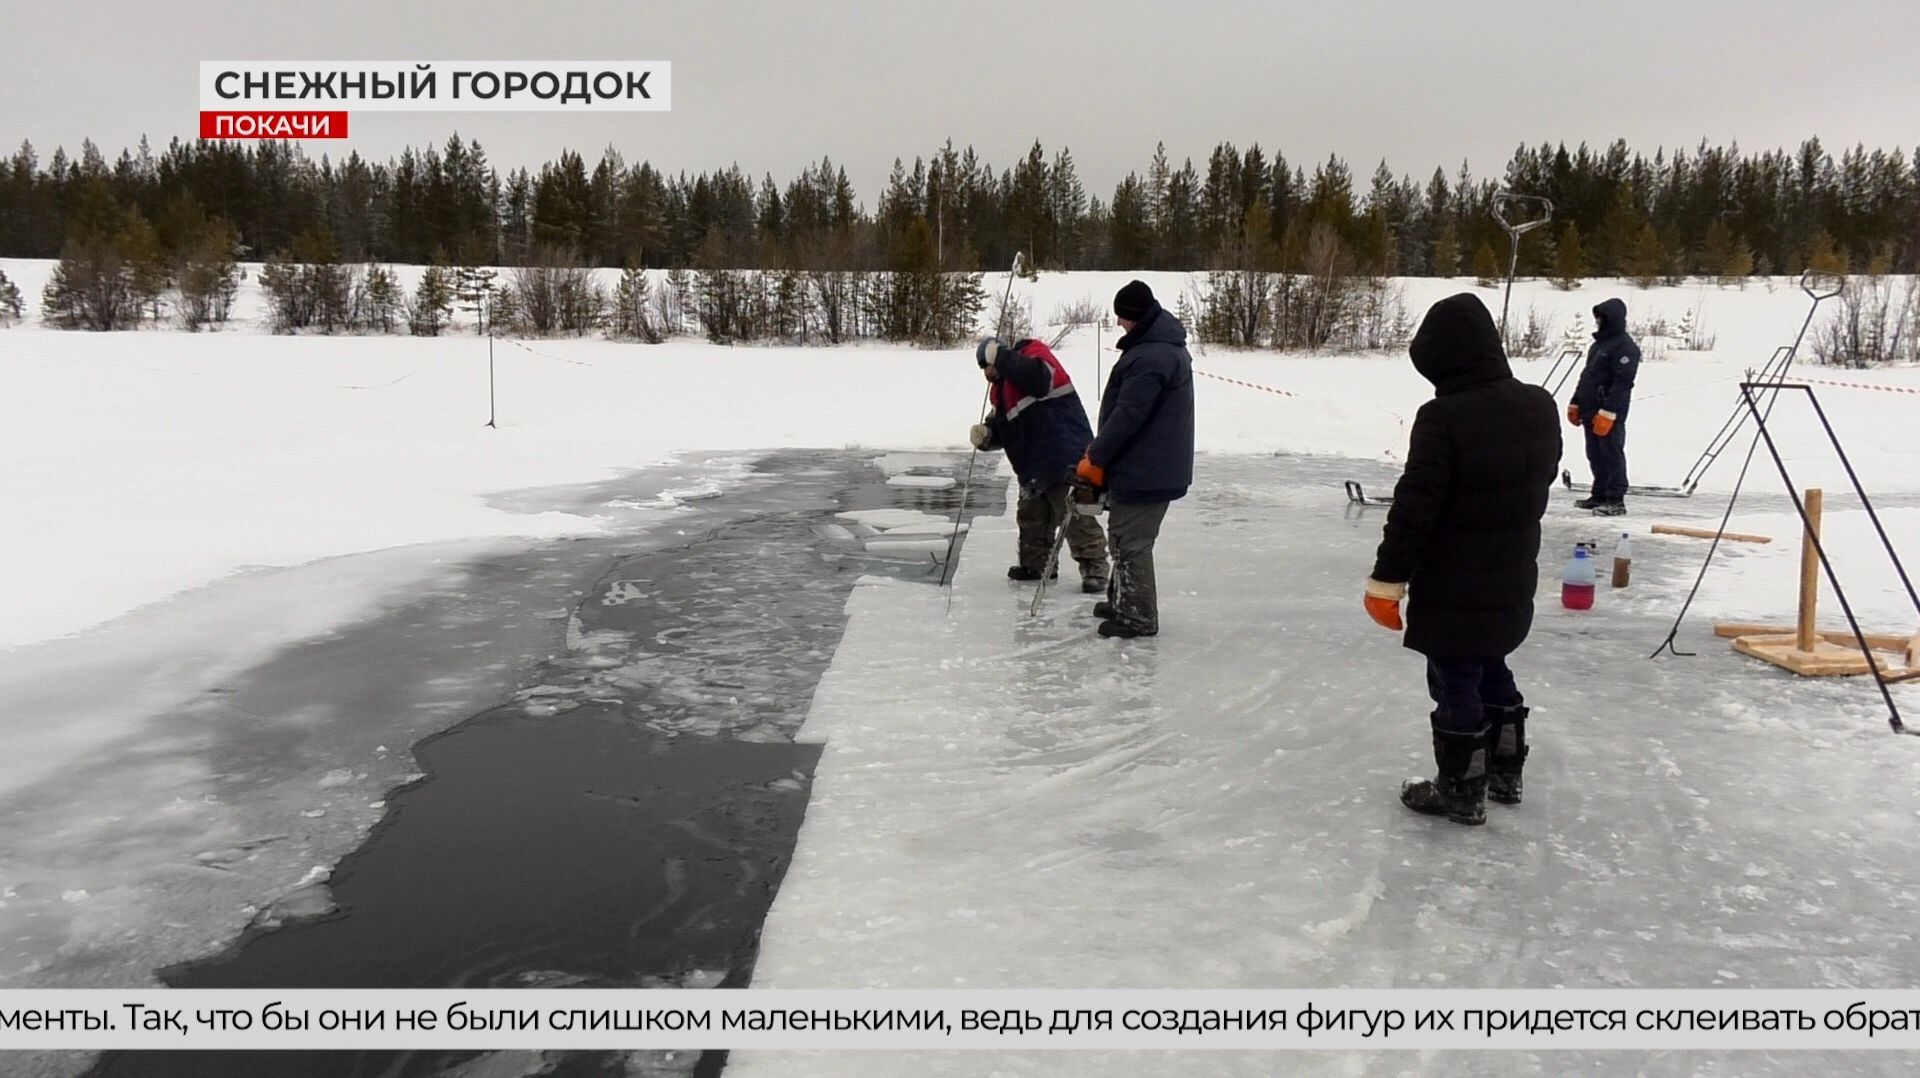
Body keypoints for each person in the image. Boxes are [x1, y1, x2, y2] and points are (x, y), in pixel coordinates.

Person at [1364, 293, 1560, 826]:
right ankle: (1505, 772)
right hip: (1512, 575)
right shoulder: (1538, 405)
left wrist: (1388, 578)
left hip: (1454, 580)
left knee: (1454, 678)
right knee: (1492, 662)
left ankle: (1460, 788)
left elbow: (1416, 507)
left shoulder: (1443, 416)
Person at [1073, 280, 1194, 639]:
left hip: (1148, 469)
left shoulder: (1152, 356)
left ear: (1135, 317)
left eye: (1122, 318)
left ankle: (1139, 617)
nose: (1120, 325)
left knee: (1131, 542)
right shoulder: (1155, 348)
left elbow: (1128, 415)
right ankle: (1121, 602)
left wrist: (1095, 456)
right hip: (1147, 465)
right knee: (1123, 538)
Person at [971, 337, 1110, 593]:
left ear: (1000, 356)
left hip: (1063, 454)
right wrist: (987, 436)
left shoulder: (1034, 355)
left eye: (988, 364)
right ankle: (1036, 565)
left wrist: (1001, 356)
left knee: (1075, 515)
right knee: (1031, 516)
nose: (987, 372)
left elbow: (1038, 380)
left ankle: (1096, 569)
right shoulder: (1001, 391)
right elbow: (1004, 429)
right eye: (983, 368)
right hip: (1032, 464)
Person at [1568, 297, 1640, 516]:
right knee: (1594, 453)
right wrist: (1576, 401)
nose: (1598, 322)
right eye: (1597, 318)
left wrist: (1609, 412)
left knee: (1611, 453)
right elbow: (1587, 376)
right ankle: (1599, 494)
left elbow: (1623, 383)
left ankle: (1615, 499)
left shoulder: (1626, 347)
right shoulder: (1598, 345)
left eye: (1602, 318)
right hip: (1590, 410)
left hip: (1608, 412)